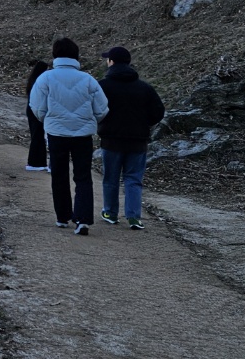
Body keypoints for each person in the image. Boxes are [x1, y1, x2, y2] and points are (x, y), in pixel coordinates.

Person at [28, 37, 108, 235]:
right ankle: (83, 220)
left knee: (59, 175)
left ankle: (62, 216)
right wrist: (89, 121)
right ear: (76, 56)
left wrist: (48, 120)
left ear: (55, 55)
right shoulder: (88, 79)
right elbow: (102, 109)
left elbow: (36, 107)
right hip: (83, 135)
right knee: (83, 176)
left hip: (56, 133)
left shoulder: (45, 78)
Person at [97, 46, 166, 230]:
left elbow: (93, 108)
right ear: (128, 63)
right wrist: (145, 123)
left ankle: (110, 213)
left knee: (110, 178)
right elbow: (158, 111)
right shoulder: (144, 87)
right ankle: (134, 217)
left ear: (111, 62)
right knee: (133, 179)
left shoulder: (103, 86)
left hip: (111, 139)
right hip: (138, 141)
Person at [24, 59, 51, 171]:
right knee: (38, 136)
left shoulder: (33, 80)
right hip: (36, 110)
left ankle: (37, 162)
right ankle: (36, 162)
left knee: (36, 136)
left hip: (32, 109)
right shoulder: (40, 81)